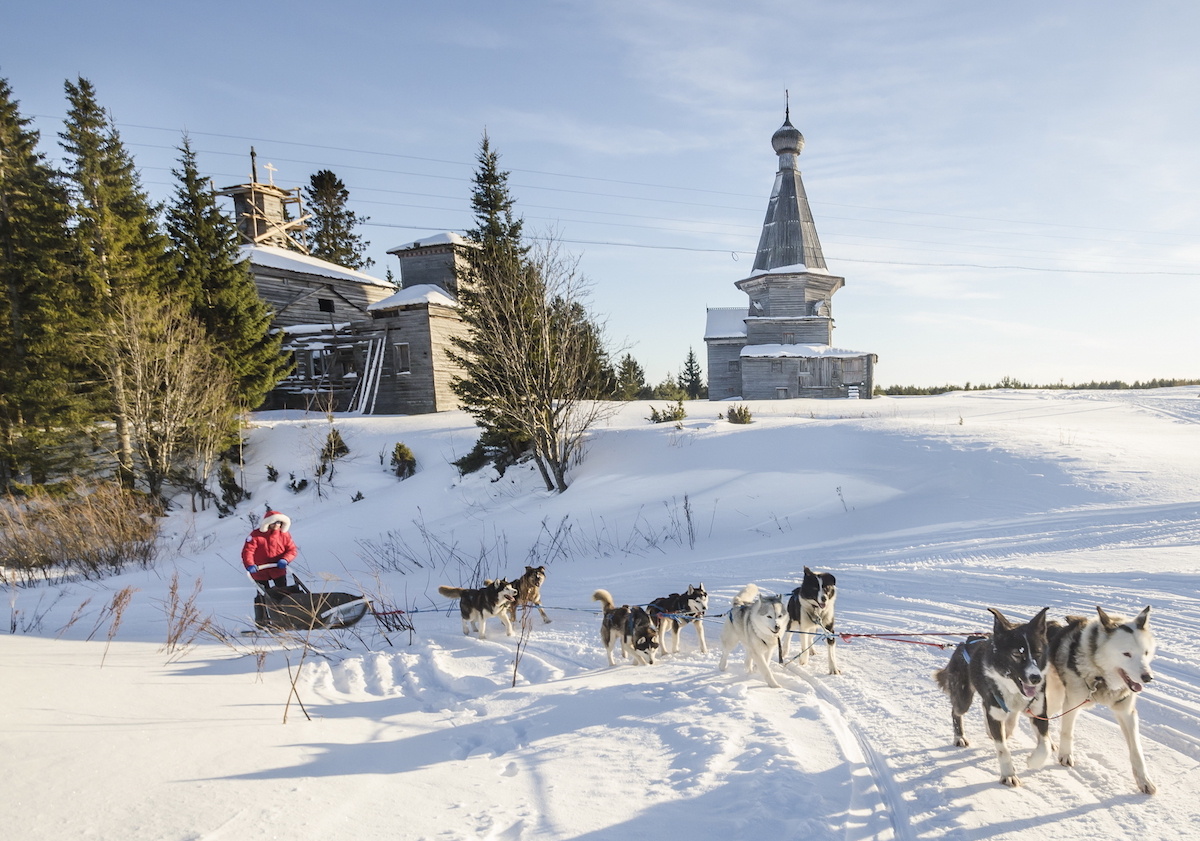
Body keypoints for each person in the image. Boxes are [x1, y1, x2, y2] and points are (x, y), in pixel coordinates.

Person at [241, 509, 298, 593]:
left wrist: (285, 559)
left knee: (283, 591)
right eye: (274, 522)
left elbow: (292, 550)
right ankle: (261, 605)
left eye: (278, 522)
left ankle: (282, 605)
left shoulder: (284, 535)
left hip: (278, 568)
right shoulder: (256, 535)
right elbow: (248, 551)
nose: (276, 525)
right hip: (259, 569)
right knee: (263, 593)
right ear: (268, 523)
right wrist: (250, 564)